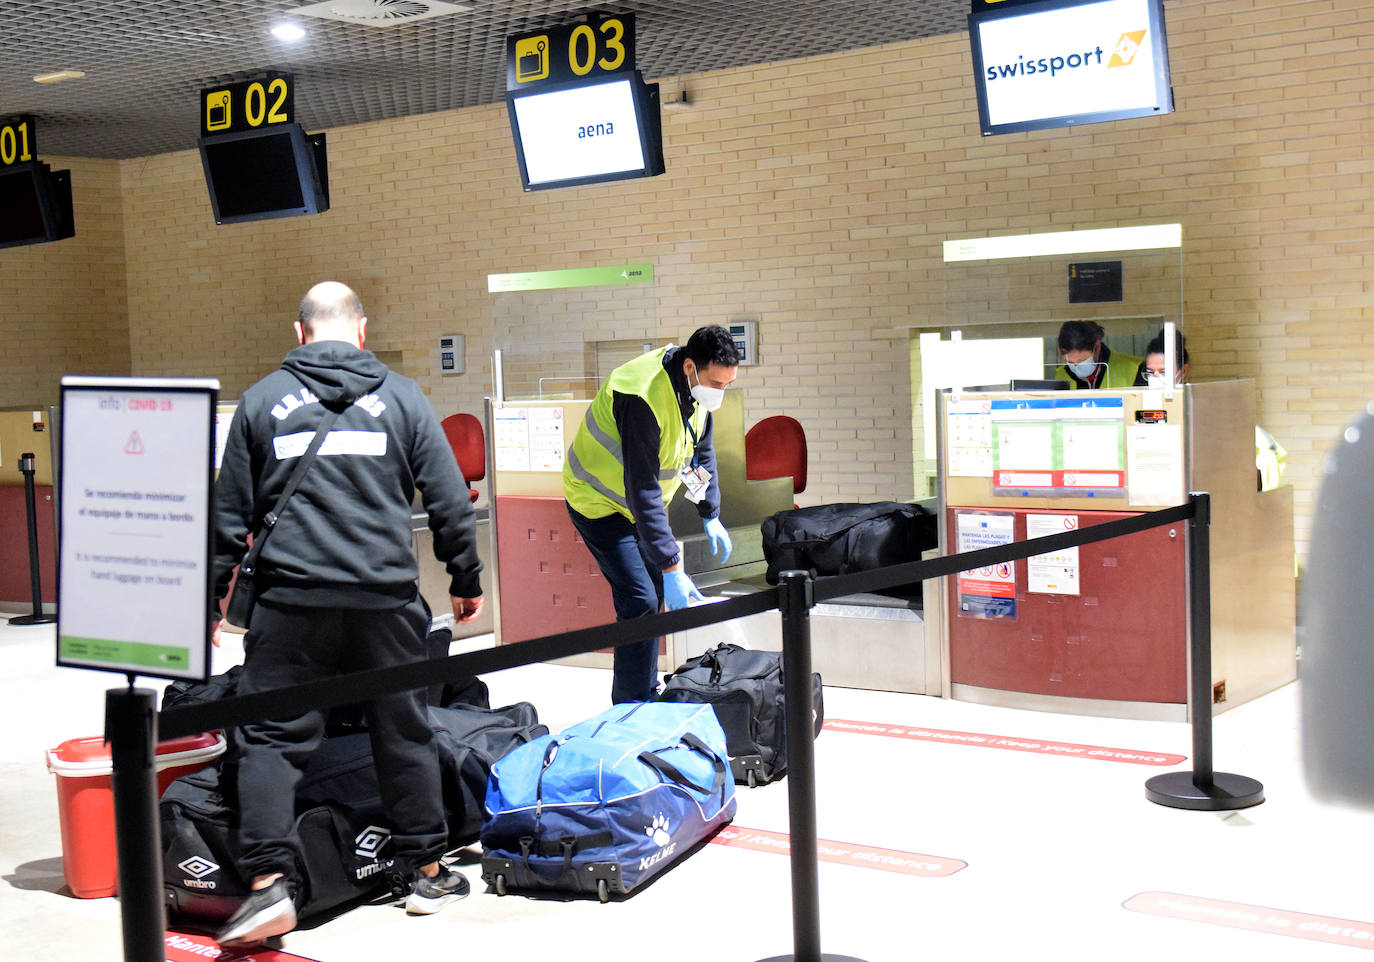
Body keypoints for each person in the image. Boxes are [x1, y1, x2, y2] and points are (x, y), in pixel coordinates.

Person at [211, 281, 484, 945]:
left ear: (299, 331)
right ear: (360, 330)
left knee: (271, 737)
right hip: (383, 599)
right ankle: (422, 871)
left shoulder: (261, 401)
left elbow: (228, 514)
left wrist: (211, 595)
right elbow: (448, 499)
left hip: (289, 600)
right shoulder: (402, 397)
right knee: (403, 728)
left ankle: (269, 884)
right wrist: (464, 576)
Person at [563, 325, 740, 703]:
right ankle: (630, 703)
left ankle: (644, 688)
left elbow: (700, 452)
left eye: (727, 385)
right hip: (597, 501)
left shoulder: (695, 394)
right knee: (640, 599)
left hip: (637, 506)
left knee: (654, 590)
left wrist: (710, 513)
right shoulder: (641, 394)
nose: (720, 393)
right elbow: (641, 490)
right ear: (690, 367)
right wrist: (673, 566)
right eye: (716, 383)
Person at [1054, 320, 1142, 389]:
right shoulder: (1062, 375)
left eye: (1082, 360)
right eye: (1071, 363)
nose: (1077, 367)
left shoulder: (1135, 368)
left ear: (1097, 346)